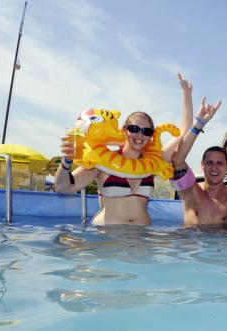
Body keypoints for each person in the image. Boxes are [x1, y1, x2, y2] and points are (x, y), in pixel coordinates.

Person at [54, 73, 193, 225]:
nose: (140, 135)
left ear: (150, 136)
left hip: (143, 240)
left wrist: (186, 93)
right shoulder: (102, 161)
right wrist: (66, 162)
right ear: (124, 130)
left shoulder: (154, 163)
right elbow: (63, 187)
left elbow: (184, 131)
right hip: (109, 240)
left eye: (146, 131)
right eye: (134, 128)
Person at [170, 97, 227, 227]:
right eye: (209, 162)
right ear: (202, 165)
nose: (214, 167)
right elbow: (177, 159)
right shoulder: (190, 189)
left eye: (219, 163)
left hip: (225, 246)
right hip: (192, 245)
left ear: (226, 167)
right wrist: (198, 124)